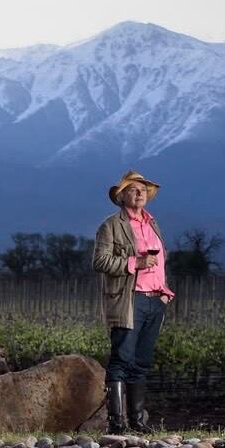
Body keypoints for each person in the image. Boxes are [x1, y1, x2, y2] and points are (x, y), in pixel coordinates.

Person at [91, 170, 174, 433]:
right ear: (121, 196)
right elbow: (100, 261)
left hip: (154, 300)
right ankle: (117, 423)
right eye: (133, 189)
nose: (139, 193)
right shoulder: (111, 226)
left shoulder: (152, 223)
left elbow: (161, 261)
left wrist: (163, 292)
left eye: (143, 189)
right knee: (122, 358)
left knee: (142, 361)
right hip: (130, 299)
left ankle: (137, 422)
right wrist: (134, 263)